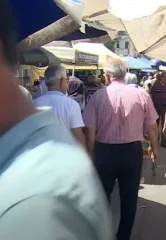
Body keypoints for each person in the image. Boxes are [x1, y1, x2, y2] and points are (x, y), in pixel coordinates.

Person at [0, 2, 112, 239]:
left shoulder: (38, 198)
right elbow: (81, 136)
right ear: (63, 83)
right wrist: (88, 160)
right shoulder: (64, 108)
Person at [83, 57, 159, 240]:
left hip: (104, 152)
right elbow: (152, 126)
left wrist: (90, 153)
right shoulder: (141, 94)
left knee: (102, 197)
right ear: (124, 74)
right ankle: (123, 236)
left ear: (107, 76)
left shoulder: (98, 97)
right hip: (131, 152)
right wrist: (154, 147)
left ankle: (101, 234)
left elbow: (90, 130)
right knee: (129, 198)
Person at [34, 65, 86, 147]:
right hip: (65, 154)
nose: (67, 82)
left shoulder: (34, 104)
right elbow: (78, 135)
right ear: (62, 81)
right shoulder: (71, 105)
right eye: (66, 80)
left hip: (42, 155)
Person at [150, 71, 166, 148]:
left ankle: (163, 142)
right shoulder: (155, 84)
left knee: (165, 125)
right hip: (155, 107)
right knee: (155, 125)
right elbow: (150, 94)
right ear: (162, 77)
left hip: (165, 108)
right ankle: (155, 139)